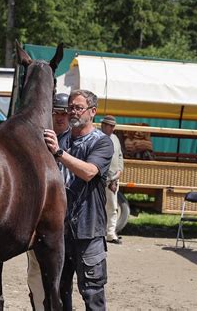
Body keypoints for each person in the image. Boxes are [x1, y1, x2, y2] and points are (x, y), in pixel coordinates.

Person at [44, 89, 113, 311]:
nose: (73, 112)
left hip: (88, 230)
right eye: (70, 107)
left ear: (92, 112)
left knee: (92, 293)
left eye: (78, 108)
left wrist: (59, 153)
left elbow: (90, 172)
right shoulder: (62, 139)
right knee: (59, 291)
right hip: (60, 231)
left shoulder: (102, 142)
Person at [27, 93, 70, 311]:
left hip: (70, 218)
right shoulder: (38, 138)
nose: (60, 117)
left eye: (64, 112)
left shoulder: (75, 139)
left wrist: (59, 152)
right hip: (43, 220)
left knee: (66, 278)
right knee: (36, 273)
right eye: (55, 112)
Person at [101, 115, 124, 244]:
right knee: (98, 207)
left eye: (113, 126)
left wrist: (119, 170)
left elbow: (120, 155)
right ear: (104, 125)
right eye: (110, 125)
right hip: (100, 179)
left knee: (112, 206)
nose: (112, 128)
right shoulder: (97, 137)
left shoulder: (115, 138)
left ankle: (111, 233)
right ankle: (99, 233)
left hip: (113, 179)